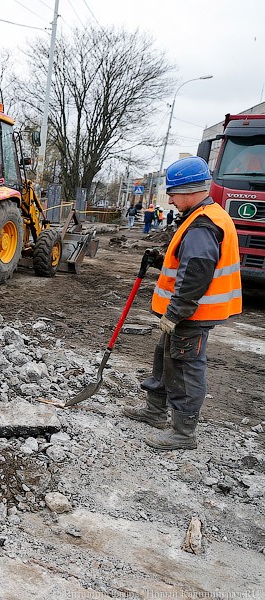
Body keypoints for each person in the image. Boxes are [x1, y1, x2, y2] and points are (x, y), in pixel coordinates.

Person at [122, 156, 242, 450]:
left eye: (173, 193)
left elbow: (196, 274)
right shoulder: (203, 215)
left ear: (189, 190)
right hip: (188, 312)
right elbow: (190, 264)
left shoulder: (203, 224)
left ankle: (183, 433)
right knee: (165, 358)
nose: (171, 199)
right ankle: (154, 411)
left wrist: (175, 313)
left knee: (185, 367)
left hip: (192, 314)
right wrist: (162, 260)